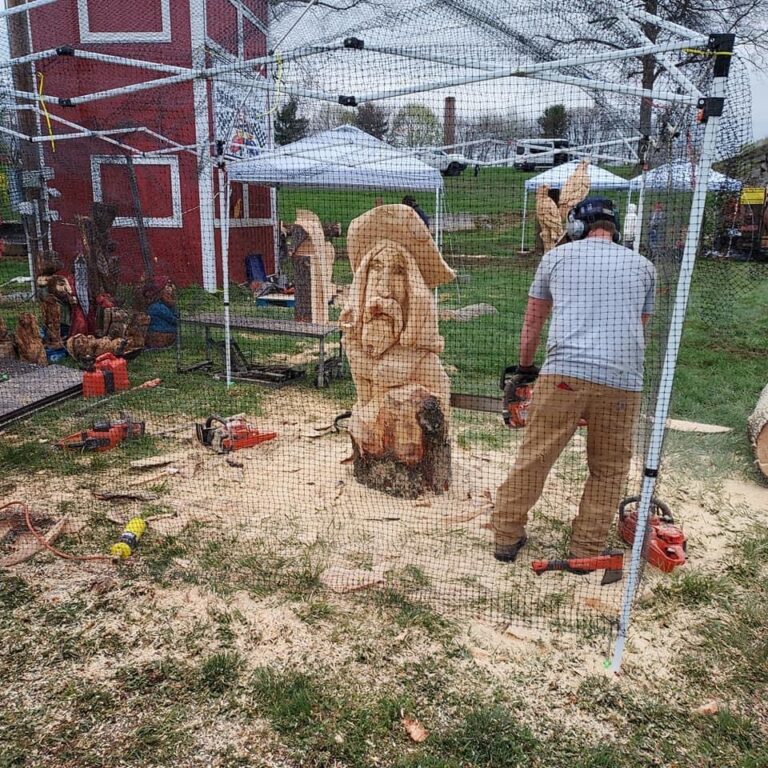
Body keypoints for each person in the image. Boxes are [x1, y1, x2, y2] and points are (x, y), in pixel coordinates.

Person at [493, 197, 656, 568]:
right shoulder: (645, 267)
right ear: (614, 228)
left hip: (563, 374)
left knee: (534, 458)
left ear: (576, 226)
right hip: (623, 381)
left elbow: (533, 322)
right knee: (609, 468)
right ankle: (586, 549)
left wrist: (525, 368)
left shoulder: (555, 258)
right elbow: (639, 327)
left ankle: (505, 535)